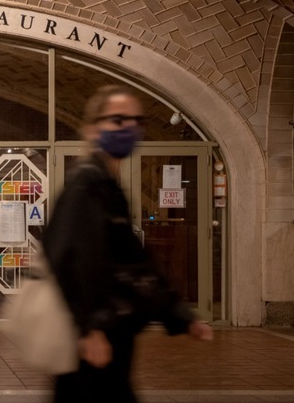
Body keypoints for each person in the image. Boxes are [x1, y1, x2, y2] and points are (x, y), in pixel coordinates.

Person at [42, 85, 212, 403]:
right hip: (95, 342)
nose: (128, 128)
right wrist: (89, 328)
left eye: (136, 121)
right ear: (93, 129)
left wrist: (179, 314)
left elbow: (137, 263)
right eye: (118, 120)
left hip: (112, 336)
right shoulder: (86, 185)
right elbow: (68, 257)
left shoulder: (108, 186)